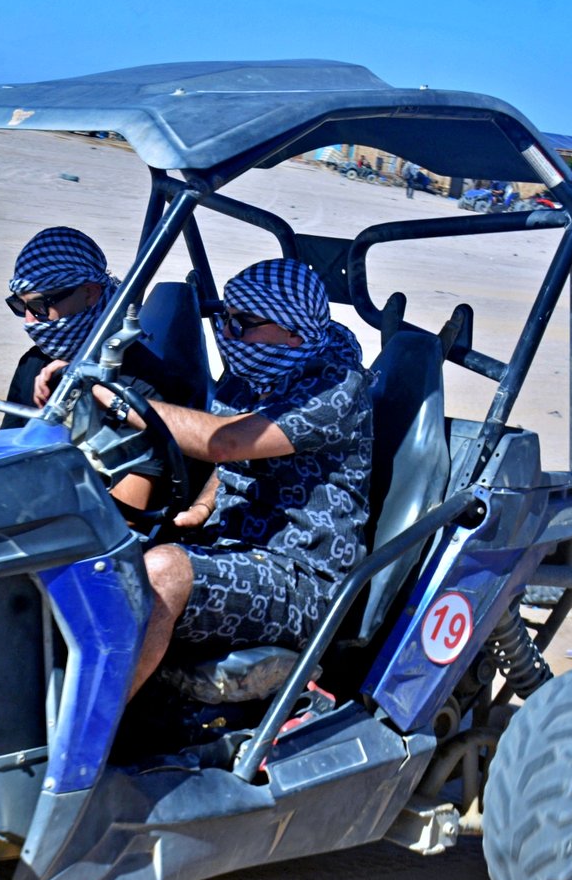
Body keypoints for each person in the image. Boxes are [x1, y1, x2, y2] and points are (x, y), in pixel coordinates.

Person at [103, 258, 373, 696]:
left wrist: (116, 399)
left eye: (243, 323)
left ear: (293, 331)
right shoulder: (255, 373)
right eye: (225, 319)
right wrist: (203, 506)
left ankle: (88, 731)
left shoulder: (335, 389)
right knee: (98, 556)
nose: (228, 335)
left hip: (303, 578)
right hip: (230, 547)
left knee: (164, 572)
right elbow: (237, 459)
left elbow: (225, 442)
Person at [1, 226, 186, 514]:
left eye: (39, 306)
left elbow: (129, 515)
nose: (29, 321)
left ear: (89, 293)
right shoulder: (34, 363)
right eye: (19, 305)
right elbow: (6, 456)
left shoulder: (142, 382)